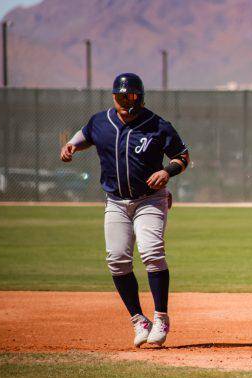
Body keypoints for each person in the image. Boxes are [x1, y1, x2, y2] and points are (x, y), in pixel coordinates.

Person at [60, 73, 189, 348]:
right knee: (117, 260)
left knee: (152, 252)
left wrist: (167, 172)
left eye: (128, 96)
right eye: (118, 96)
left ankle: (161, 317)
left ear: (139, 98)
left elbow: (183, 157)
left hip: (150, 199)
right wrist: (71, 145)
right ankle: (138, 320)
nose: (122, 101)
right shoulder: (101, 121)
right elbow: (85, 135)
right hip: (116, 201)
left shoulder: (156, 125)